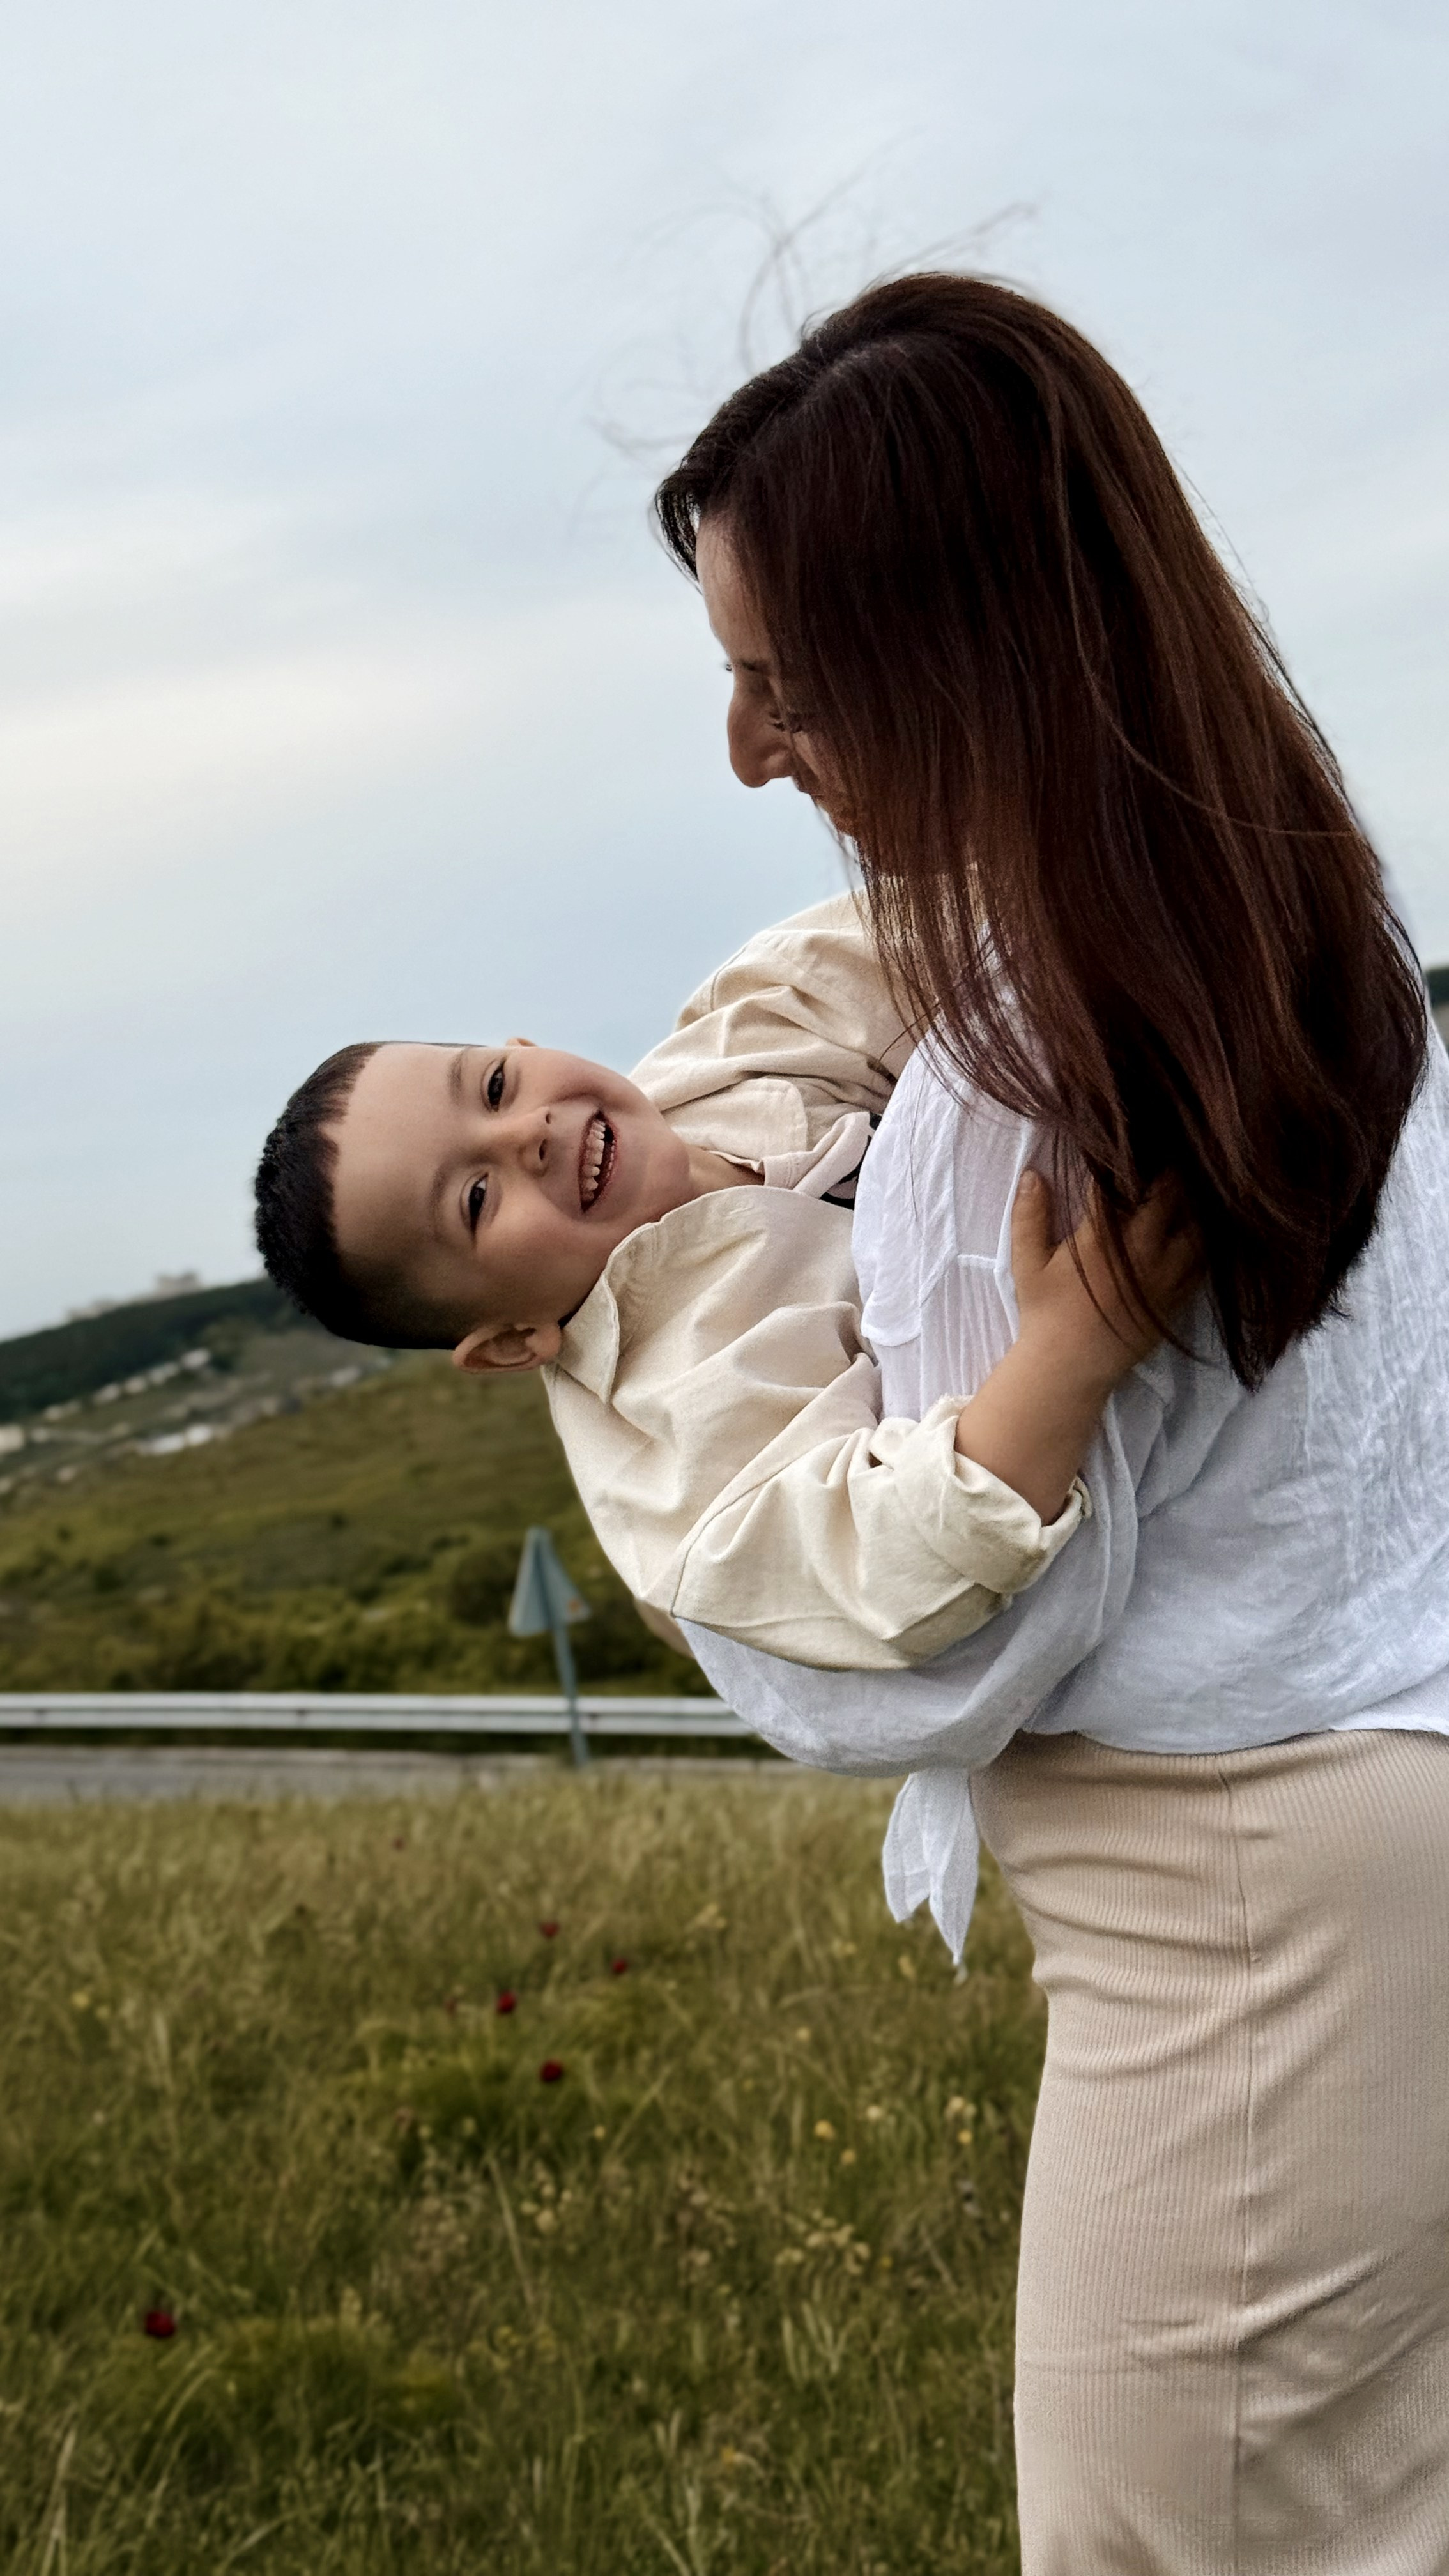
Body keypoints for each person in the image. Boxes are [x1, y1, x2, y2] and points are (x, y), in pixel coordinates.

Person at [653, 273, 1449, 2573]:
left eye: (777, 679)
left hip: (1228, 1911)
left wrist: (697, 1506)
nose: (742, 749)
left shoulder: (1004, 1096)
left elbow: (935, 1655)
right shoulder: (1309, 944)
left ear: (950, 650)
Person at [253, 893, 1195, 1671]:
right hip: (1168, 1572)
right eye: (474, 1200)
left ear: (522, 1043)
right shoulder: (682, 1431)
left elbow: (946, 928)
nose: (523, 1135)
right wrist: (1075, 1347)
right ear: (511, 1343)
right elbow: (891, 1562)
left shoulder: (735, 1045)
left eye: (495, 1087)